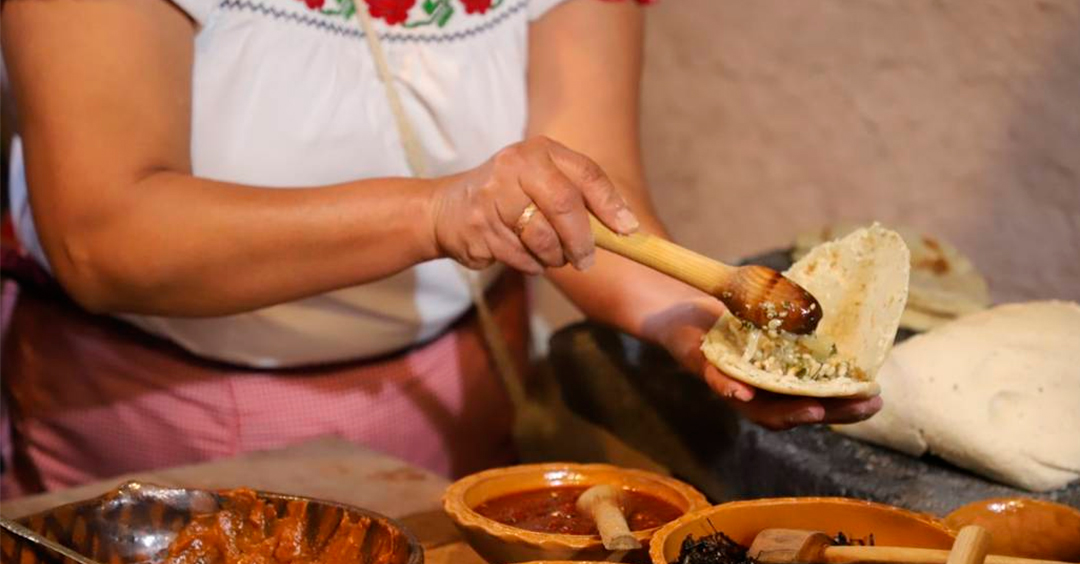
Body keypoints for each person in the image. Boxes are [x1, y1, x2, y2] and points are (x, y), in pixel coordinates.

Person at [0, 0, 881, 497]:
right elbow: (102, 236)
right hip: (156, 434)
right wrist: (437, 212)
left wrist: (696, 329)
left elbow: (590, 198)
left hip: (450, 411)